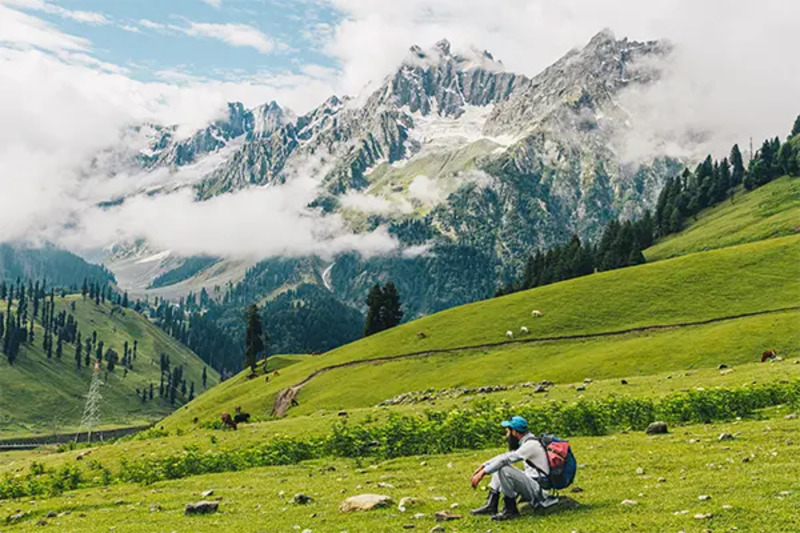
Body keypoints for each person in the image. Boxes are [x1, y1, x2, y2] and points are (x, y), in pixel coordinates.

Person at [469, 416, 550, 521]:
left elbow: (504, 460)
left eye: (507, 432)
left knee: (504, 469)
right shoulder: (527, 441)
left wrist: (483, 473)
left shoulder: (530, 445)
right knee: (500, 466)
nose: (507, 435)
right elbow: (505, 456)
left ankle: (510, 510)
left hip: (539, 490)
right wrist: (484, 465)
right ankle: (491, 505)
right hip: (533, 482)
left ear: (515, 432)